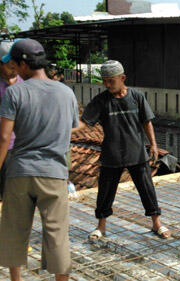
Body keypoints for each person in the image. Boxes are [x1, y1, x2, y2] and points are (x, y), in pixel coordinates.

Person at [0, 38, 79, 281]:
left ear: (23, 64)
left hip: (20, 172)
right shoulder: (66, 92)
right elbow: (71, 130)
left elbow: (4, 137)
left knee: (14, 230)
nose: (13, 67)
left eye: (14, 63)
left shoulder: (15, 92)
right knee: (57, 234)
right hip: (54, 174)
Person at [73, 60, 170, 240]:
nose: (107, 84)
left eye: (111, 80)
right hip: (112, 154)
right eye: (105, 81)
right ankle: (101, 227)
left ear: (122, 78)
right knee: (105, 191)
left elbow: (146, 121)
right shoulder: (101, 101)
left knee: (147, 189)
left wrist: (154, 144)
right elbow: (84, 122)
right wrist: (63, 129)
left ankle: (157, 223)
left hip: (136, 152)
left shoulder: (137, 97)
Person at [0, 41, 22, 199]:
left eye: (16, 65)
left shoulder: (25, 82)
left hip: (20, 145)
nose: (14, 69)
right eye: (9, 65)